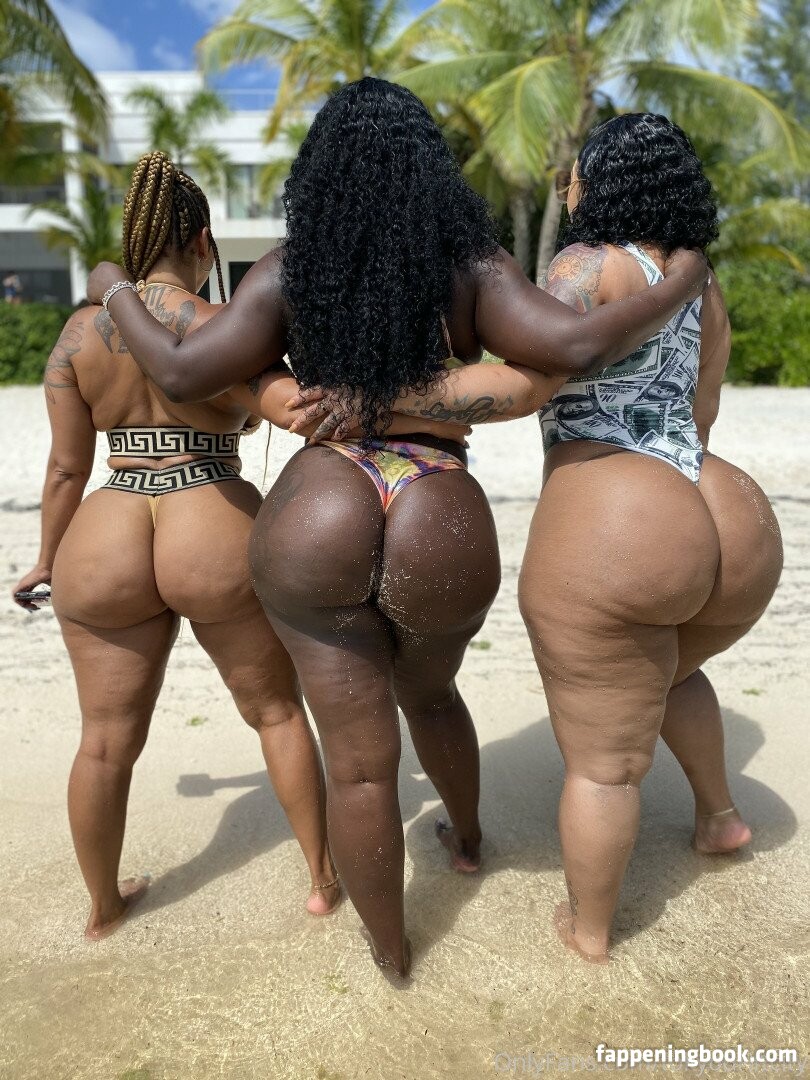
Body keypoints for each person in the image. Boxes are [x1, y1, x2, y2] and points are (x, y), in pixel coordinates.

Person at [85, 81, 708, 976]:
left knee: (360, 765)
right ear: (430, 166)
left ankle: (391, 954)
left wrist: (114, 291)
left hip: (322, 498)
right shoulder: (472, 264)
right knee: (433, 694)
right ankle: (468, 841)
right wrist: (679, 278)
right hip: (437, 498)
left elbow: (183, 371)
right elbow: (572, 346)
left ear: (319, 172)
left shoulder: (290, 267)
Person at [296, 113, 784, 965]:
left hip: (620, 509)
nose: (567, 187)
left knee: (604, 764)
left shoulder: (584, 266)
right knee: (672, 669)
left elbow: (529, 375)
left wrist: (378, 398)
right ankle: (719, 816)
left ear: (600, 182)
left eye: (575, 173)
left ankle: (589, 930)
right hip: (726, 507)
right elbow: (701, 409)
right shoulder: (702, 288)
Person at [12, 151, 341, 941]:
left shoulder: (78, 333)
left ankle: (102, 908)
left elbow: (65, 468)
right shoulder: (221, 324)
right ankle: (322, 880)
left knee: (103, 743)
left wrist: (47, 558)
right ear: (201, 240)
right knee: (274, 712)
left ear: (133, 239)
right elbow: (283, 407)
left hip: (108, 523)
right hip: (211, 511)